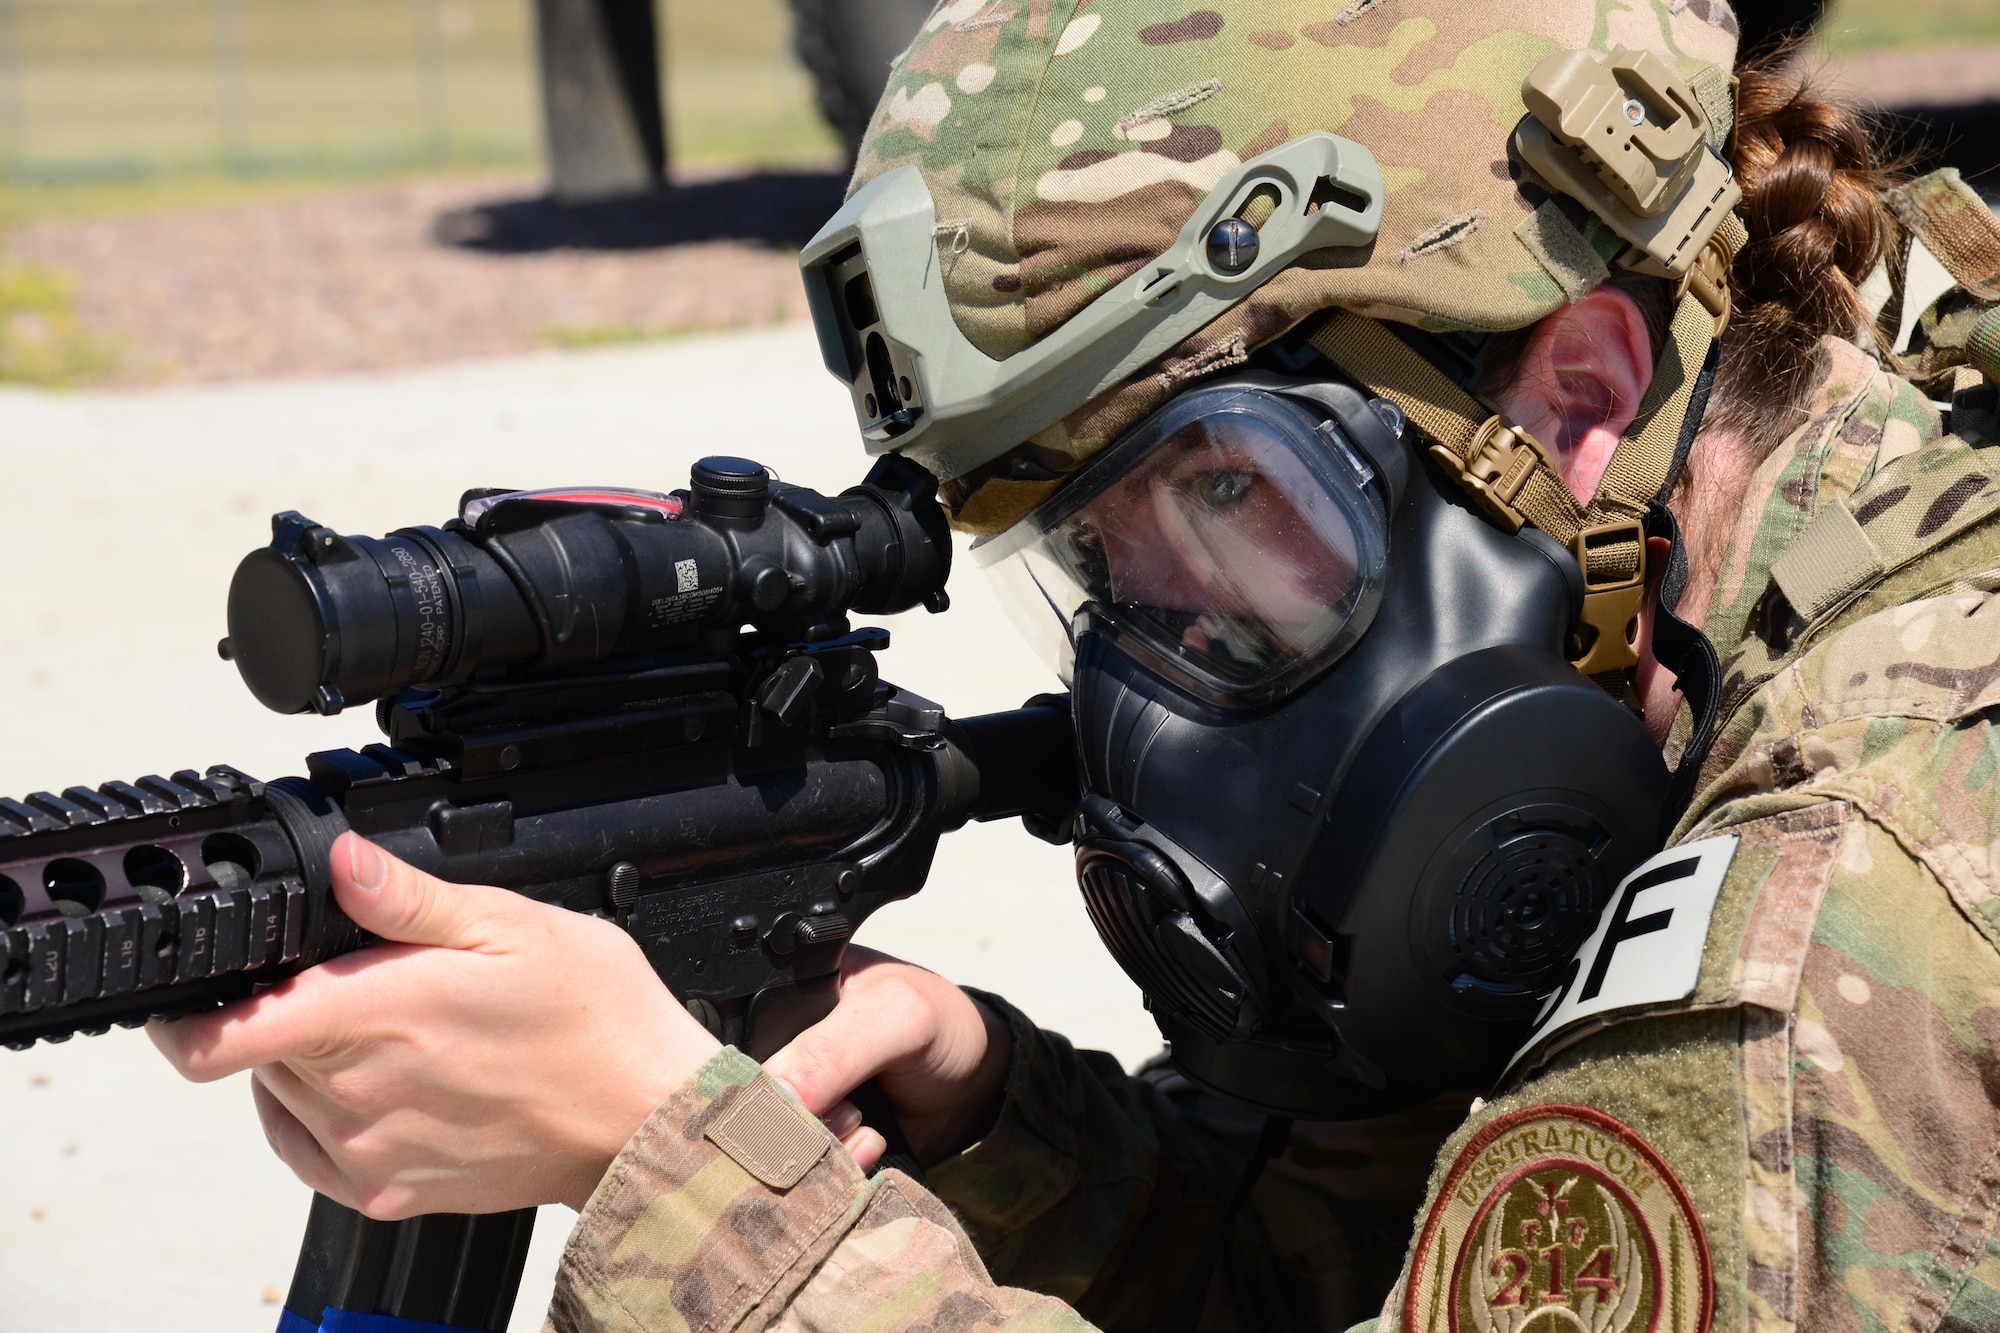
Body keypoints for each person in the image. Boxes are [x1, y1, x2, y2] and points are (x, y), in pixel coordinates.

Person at [151, 3, 2000, 1331]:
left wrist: (691, 1187)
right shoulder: (1776, 546)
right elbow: (1395, 1262)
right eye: (1097, 564)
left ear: (1577, 392)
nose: (1157, 658)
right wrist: (1001, 1129)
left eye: (1224, 494)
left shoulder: (1849, 898)